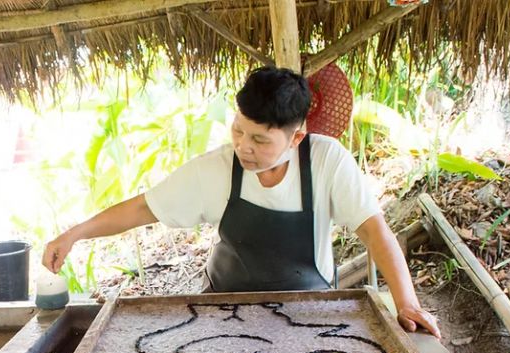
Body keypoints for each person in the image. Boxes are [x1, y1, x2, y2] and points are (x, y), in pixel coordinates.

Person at [43, 67, 440, 338]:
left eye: (260, 140)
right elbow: (144, 208)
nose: (243, 147)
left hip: (306, 314)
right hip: (221, 311)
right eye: (238, 131)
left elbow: (375, 231)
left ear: (296, 139)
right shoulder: (216, 168)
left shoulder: (327, 160)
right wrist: (76, 233)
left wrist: (407, 303)